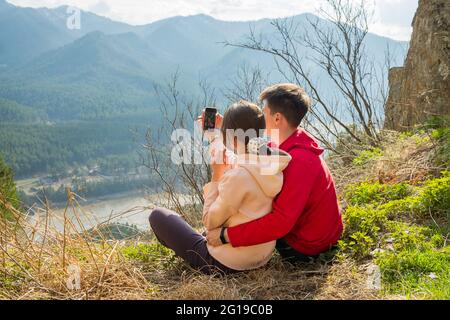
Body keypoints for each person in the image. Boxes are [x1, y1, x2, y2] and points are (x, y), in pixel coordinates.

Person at [149, 100, 292, 274]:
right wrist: (215, 136)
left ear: (230, 136)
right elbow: (234, 158)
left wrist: (216, 176)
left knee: (158, 216)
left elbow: (210, 221)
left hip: (227, 263)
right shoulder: (267, 162)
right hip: (261, 255)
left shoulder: (238, 176)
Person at [206, 83, 343, 263]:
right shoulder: (287, 143)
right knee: (241, 194)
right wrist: (219, 134)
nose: (260, 117)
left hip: (308, 247)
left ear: (277, 118)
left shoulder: (301, 162)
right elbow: (243, 157)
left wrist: (226, 236)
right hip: (307, 231)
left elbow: (280, 223)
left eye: (264, 112)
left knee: (240, 200)